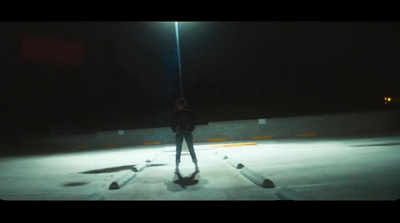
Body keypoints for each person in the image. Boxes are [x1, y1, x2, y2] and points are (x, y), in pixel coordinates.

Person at [171, 98, 199, 174]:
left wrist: (190, 129)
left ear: (183, 105)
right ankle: (177, 166)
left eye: (181, 105)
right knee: (178, 150)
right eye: (178, 105)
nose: (179, 107)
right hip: (179, 133)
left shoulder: (188, 112)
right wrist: (175, 130)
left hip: (187, 132)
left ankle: (196, 164)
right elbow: (172, 122)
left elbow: (192, 121)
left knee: (191, 149)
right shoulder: (176, 113)